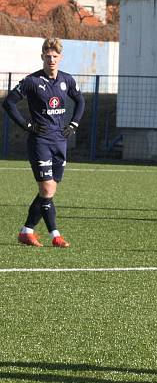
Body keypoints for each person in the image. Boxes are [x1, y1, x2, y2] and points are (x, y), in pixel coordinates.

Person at [2, 37, 85, 248]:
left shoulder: (67, 80)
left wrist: (73, 124)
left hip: (60, 141)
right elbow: (9, 102)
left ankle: (26, 231)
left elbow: (80, 100)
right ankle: (55, 235)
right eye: (48, 56)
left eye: (55, 56)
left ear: (60, 58)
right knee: (47, 190)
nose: (51, 60)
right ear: (42, 57)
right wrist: (27, 126)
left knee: (48, 191)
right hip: (40, 142)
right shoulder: (32, 81)